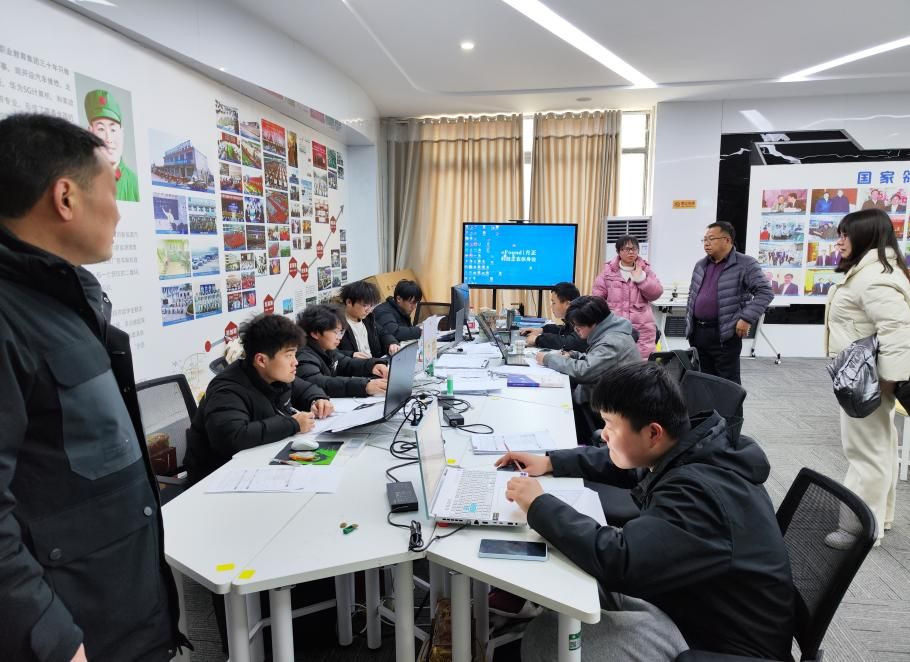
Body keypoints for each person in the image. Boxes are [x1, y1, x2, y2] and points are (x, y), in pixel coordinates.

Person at [0, 114, 186, 661]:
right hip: (72, 629)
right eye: (111, 190)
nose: (119, 212)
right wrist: (51, 637)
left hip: (120, 604)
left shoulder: (66, 300)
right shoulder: (10, 315)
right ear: (65, 197)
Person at [497, 362, 795, 662]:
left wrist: (539, 504)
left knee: (548, 639)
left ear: (653, 433)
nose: (603, 434)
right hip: (691, 600)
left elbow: (621, 560)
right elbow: (627, 464)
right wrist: (551, 462)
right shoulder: (692, 449)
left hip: (717, 643)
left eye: (611, 425)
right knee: (569, 578)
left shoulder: (698, 495)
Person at [823, 209, 910, 548]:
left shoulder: (873, 276)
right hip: (866, 374)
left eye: (846, 234)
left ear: (866, 236)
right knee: (879, 447)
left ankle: (859, 529)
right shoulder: (873, 271)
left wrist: (889, 379)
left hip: (867, 379)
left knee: (864, 452)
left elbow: (898, 331)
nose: (839, 241)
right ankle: (878, 518)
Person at [184, 313, 333, 484]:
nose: (295, 362)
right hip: (218, 479)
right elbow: (232, 438)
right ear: (261, 360)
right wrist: (293, 424)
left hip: (259, 462)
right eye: (288, 355)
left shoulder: (275, 376)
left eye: (295, 354)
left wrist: (317, 399)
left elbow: (305, 388)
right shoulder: (227, 390)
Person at [536, 296, 640, 442]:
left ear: (594, 322)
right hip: (606, 396)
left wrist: (548, 359)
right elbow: (597, 361)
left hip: (608, 407)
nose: (576, 330)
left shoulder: (613, 342)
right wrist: (574, 355)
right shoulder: (610, 334)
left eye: (578, 326)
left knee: (554, 405)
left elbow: (584, 372)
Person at [686, 221, 773, 385]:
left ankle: (728, 404)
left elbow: (765, 292)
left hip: (725, 333)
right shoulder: (701, 265)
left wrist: (746, 318)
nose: (706, 243)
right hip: (698, 333)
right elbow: (692, 295)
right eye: (704, 239)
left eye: (711, 239)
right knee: (702, 382)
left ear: (727, 240)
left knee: (727, 385)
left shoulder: (745, 264)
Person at [591, 235, 664, 358]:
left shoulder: (645, 270)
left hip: (642, 326)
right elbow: (597, 298)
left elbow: (656, 293)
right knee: (615, 360)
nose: (631, 252)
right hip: (615, 326)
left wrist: (641, 279)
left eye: (634, 249)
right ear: (619, 251)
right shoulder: (608, 272)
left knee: (641, 361)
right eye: (627, 249)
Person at [296, 305, 389, 397]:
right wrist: (364, 386)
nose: (339, 337)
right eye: (335, 332)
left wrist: (372, 366)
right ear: (315, 333)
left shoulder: (326, 349)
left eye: (341, 332)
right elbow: (321, 383)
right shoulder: (303, 356)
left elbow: (346, 363)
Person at [83, 89, 140, 202]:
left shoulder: (134, 182)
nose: (108, 139)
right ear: (90, 132)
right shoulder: (81, 179)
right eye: (101, 129)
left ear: (122, 132)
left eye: (113, 129)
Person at [519, 281, 586, 352]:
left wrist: (537, 339)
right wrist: (542, 330)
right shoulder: (573, 319)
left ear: (567, 304)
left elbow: (570, 342)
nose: (551, 306)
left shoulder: (582, 320)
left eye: (554, 302)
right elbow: (564, 330)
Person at [337, 280, 390, 357]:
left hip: (374, 361)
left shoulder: (367, 319)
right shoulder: (337, 324)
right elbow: (329, 352)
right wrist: (351, 354)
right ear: (349, 302)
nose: (369, 310)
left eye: (371, 305)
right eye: (365, 305)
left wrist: (391, 343)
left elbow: (383, 333)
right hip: (355, 363)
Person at [373, 279, 423, 351]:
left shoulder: (401, 310)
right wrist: (419, 331)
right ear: (399, 299)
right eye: (412, 302)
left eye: (416, 303)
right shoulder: (383, 311)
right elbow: (394, 332)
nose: (414, 306)